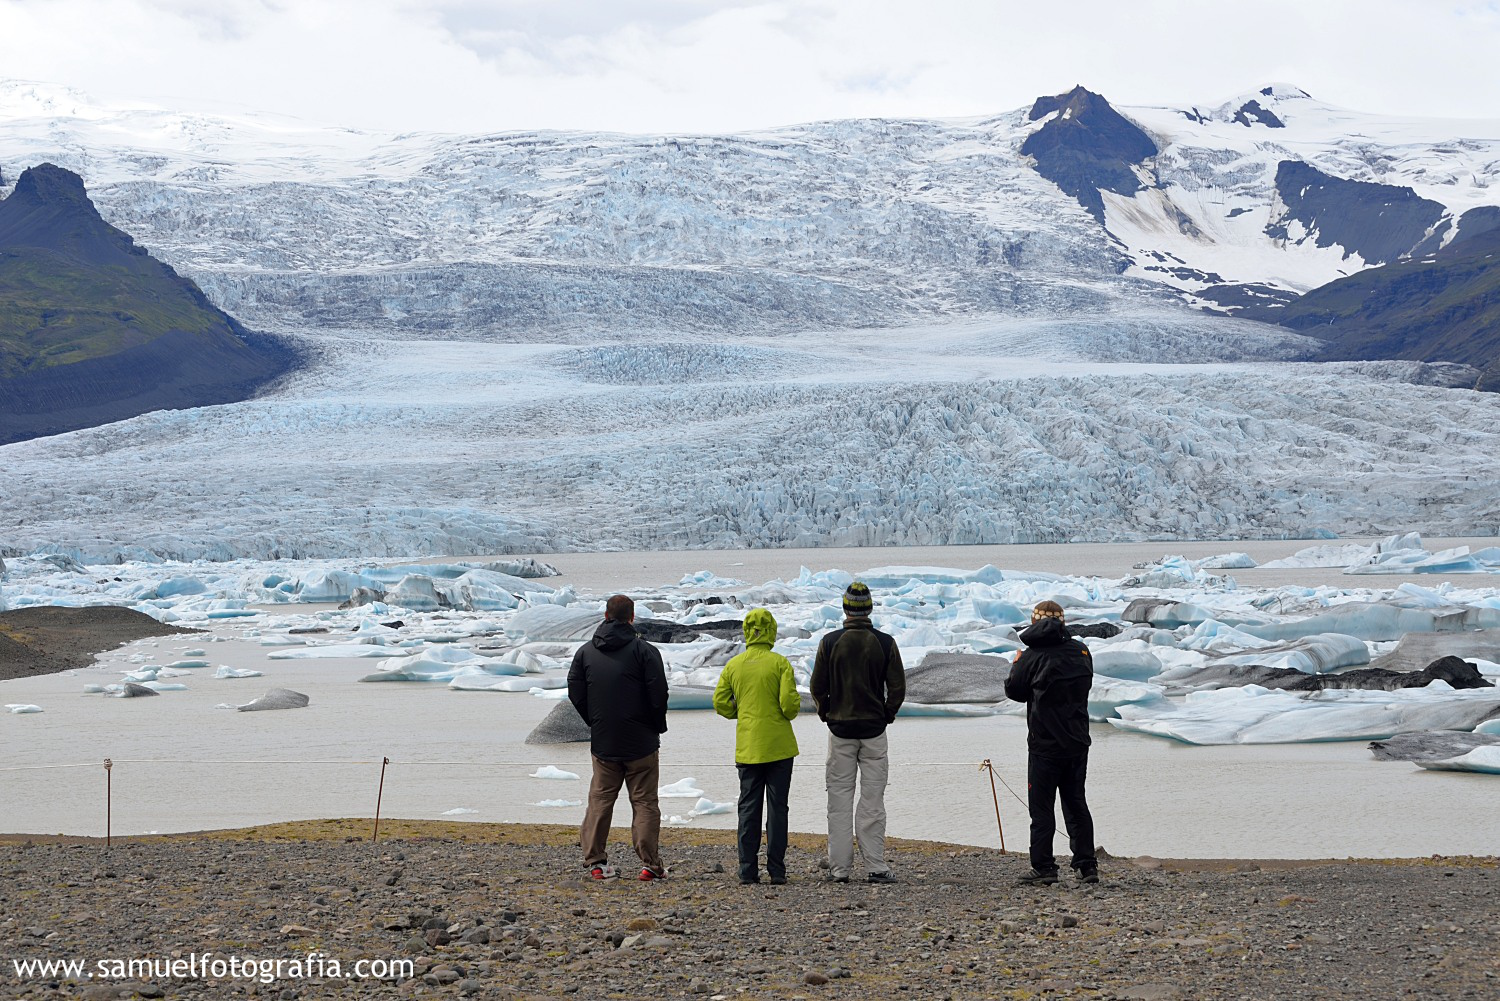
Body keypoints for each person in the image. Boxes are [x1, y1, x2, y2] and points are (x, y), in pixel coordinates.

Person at [567, 593, 669, 881]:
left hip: (604, 742)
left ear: (606, 615)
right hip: (642, 744)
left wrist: (595, 721)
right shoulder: (645, 651)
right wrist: (655, 725)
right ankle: (650, 865)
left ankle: (596, 863)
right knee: (645, 802)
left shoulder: (586, 652)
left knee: (600, 800)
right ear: (632, 617)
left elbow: (575, 689)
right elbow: (658, 693)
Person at [810, 581, 905, 884]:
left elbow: (817, 687)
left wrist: (827, 713)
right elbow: (898, 688)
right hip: (874, 732)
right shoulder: (885, 642)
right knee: (873, 799)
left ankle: (839, 869)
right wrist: (886, 714)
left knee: (838, 799)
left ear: (845, 608)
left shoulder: (830, 642)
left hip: (840, 731)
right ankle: (875, 866)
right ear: (869, 608)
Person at [1004, 599, 1098, 886]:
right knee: (1076, 802)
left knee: (1042, 807)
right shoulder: (1081, 651)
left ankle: (1044, 866)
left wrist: (1018, 664)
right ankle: (1086, 866)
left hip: (1044, 744)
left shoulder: (1032, 655)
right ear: (1063, 623)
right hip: (1077, 741)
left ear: (1035, 622)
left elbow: (1014, 691)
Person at [713, 608, 801, 885]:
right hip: (779, 747)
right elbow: (789, 707)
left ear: (747, 632)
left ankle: (747, 870)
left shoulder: (734, 665)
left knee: (748, 809)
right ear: (772, 631)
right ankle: (777, 870)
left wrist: (743, 712)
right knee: (778, 809)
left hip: (748, 746)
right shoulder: (780, 663)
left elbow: (720, 703)